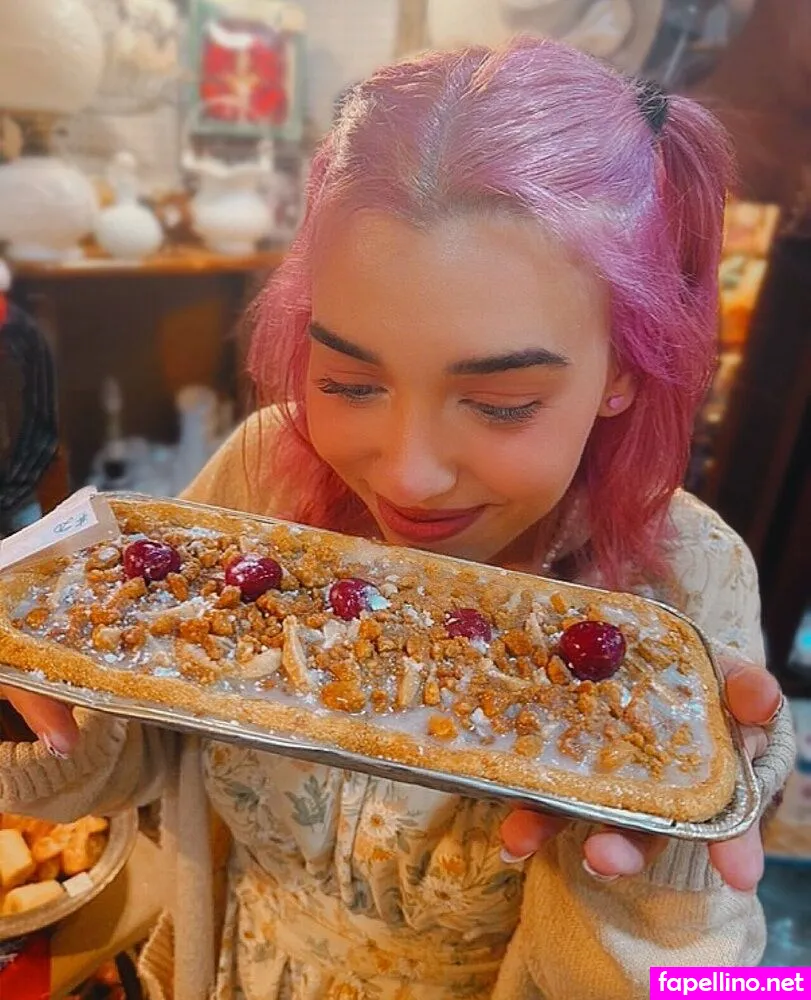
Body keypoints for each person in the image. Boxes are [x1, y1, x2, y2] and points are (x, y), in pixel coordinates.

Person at [0, 37, 796, 1000]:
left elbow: (715, 991)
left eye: (501, 404)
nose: (411, 476)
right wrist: (32, 688)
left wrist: (665, 886)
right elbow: (124, 766)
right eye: (348, 381)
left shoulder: (684, 592)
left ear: (625, 368)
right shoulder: (260, 474)